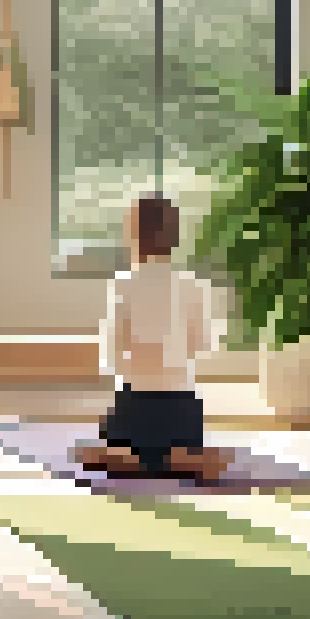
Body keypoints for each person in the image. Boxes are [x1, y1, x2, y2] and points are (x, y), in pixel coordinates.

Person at [75, 193, 228, 479]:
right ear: (175, 236)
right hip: (181, 404)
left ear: (133, 236)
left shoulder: (123, 285)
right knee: (183, 441)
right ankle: (177, 458)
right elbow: (203, 344)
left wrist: (134, 367)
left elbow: (112, 350)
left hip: (134, 402)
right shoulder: (194, 285)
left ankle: (132, 458)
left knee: (101, 444)